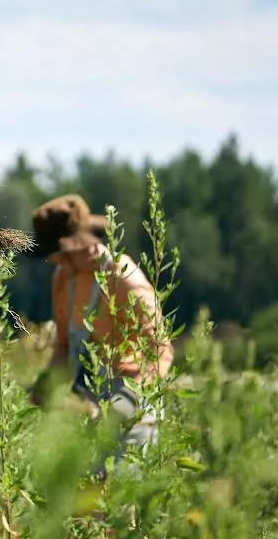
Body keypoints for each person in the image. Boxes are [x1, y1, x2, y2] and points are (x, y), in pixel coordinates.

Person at [25, 194, 174, 478]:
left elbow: (160, 350)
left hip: (131, 409)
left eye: (59, 251)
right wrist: (48, 382)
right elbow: (65, 344)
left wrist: (125, 402)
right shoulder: (64, 277)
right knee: (83, 505)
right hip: (87, 401)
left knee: (117, 508)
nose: (55, 259)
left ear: (80, 243)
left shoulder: (124, 279)